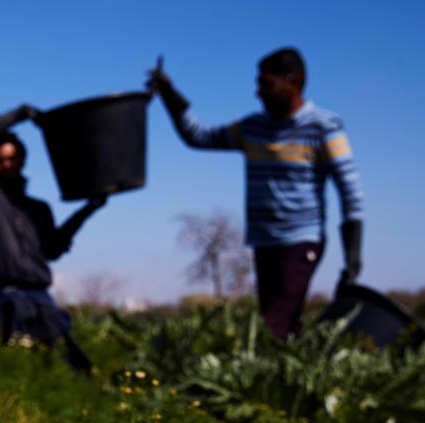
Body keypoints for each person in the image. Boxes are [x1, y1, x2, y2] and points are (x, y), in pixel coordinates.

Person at [147, 48, 365, 340]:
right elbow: (198, 136)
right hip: (264, 241)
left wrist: (352, 259)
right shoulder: (253, 128)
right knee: (283, 323)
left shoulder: (323, 127)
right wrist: (170, 95)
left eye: (267, 85)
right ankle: (298, 378)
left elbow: (350, 191)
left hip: (301, 239)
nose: (258, 93)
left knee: (272, 326)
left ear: (294, 82)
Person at [0, 104, 106, 372]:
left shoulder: (38, 209)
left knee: (67, 366)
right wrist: (18, 115)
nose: (6, 164)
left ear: (22, 160)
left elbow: (53, 248)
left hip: (37, 297)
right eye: (1, 159)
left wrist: (87, 209)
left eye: (12, 158)